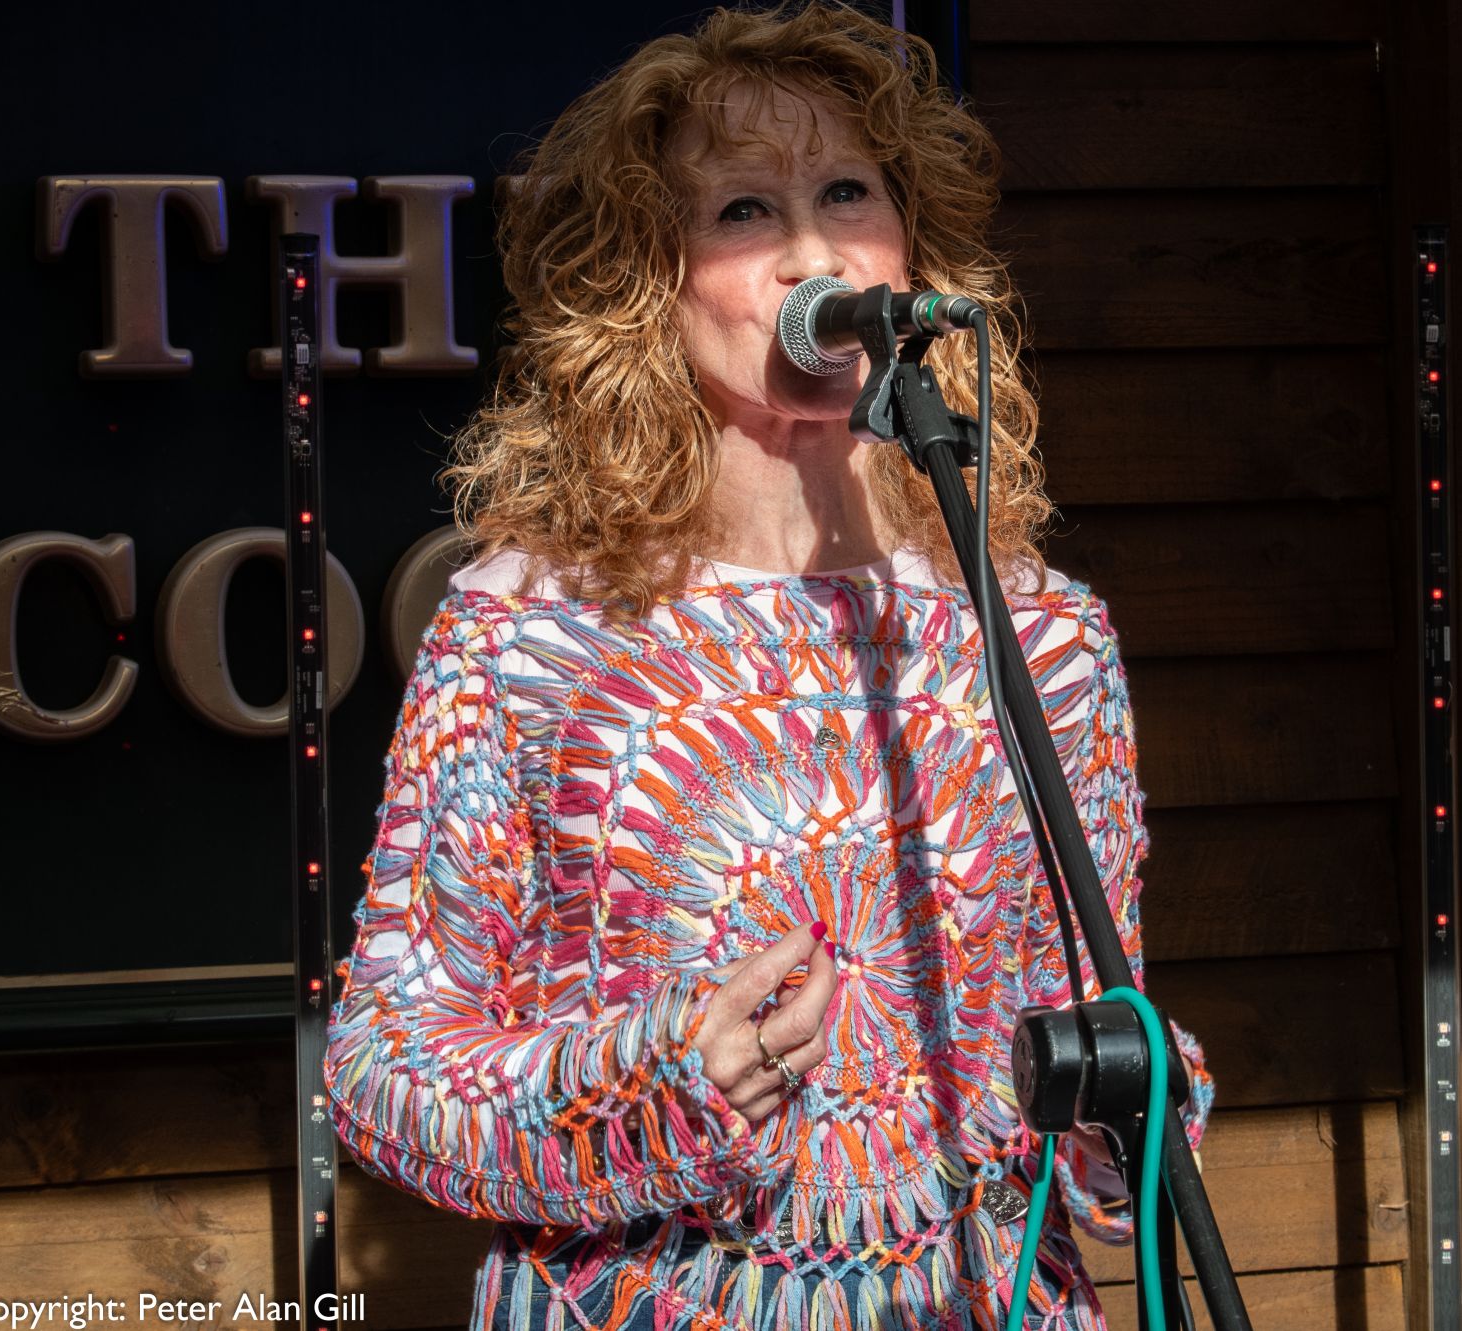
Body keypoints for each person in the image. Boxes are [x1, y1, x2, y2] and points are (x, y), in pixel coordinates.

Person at [322, 4, 1214, 1328]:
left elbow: (1088, 1047)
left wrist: (1127, 1101)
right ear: (647, 283)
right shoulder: (529, 635)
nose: (814, 252)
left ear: (911, 249)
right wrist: (654, 1087)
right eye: (744, 210)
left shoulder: (1038, 635)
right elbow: (383, 1073)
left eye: (848, 193)